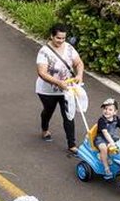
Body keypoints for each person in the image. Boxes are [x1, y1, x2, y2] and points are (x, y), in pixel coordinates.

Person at [35, 23, 85, 154]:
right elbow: (42, 73)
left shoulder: (69, 48)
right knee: (48, 111)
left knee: (69, 115)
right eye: (58, 38)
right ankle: (45, 128)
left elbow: (78, 63)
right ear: (51, 36)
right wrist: (58, 82)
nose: (61, 41)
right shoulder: (44, 52)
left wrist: (79, 74)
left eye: (63, 38)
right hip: (47, 91)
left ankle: (72, 144)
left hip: (66, 90)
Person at [95, 98, 120, 179]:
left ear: (115, 112)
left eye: (110, 109)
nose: (107, 111)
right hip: (101, 139)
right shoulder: (101, 120)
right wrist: (112, 142)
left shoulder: (116, 119)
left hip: (112, 137)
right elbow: (105, 133)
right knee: (104, 148)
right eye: (105, 109)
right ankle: (106, 168)